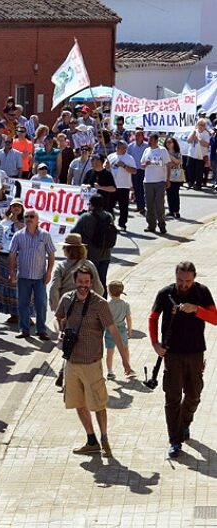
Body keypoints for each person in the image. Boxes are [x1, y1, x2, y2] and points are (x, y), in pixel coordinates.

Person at [55, 265, 128, 458]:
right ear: (75, 281)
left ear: (92, 282)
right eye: (80, 282)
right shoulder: (67, 299)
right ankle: (91, 440)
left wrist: (125, 361)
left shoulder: (99, 304)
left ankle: (104, 439)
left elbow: (113, 331)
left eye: (87, 283)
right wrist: (60, 331)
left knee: (98, 404)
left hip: (92, 363)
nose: (83, 286)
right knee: (78, 403)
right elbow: (58, 318)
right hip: (71, 362)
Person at [149, 261, 217, 458]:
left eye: (187, 281)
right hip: (172, 354)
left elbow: (215, 318)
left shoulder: (202, 292)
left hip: (195, 353)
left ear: (194, 278)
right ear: (175, 276)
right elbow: (153, 318)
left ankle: (185, 422)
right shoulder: (165, 293)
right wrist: (155, 344)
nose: (183, 284)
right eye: (180, 280)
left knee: (194, 394)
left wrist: (196, 310)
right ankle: (175, 440)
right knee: (172, 398)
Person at [10, 208, 55, 340]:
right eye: (26, 217)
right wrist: (12, 272)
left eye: (31, 217)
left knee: (41, 304)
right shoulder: (18, 235)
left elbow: (51, 255)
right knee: (22, 304)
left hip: (39, 277)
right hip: (23, 276)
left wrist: (49, 272)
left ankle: (41, 330)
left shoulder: (45, 235)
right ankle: (24, 329)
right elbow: (12, 255)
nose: (29, 219)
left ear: (37, 220)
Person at [71, 194, 115, 294]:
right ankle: (102, 304)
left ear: (91, 204)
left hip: (90, 256)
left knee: (87, 283)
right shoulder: (109, 216)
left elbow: (73, 233)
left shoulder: (86, 217)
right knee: (102, 282)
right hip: (105, 255)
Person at [0, 200, 24, 324]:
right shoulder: (3, 223)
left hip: (18, 257)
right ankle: (13, 313)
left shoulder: (25, 224)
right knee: (6, 286)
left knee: (18, 286)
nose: (16, 208)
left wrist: (17, 222)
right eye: (14, 206)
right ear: (10, 208)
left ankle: (24, 314)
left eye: (19, 206)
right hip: (4, 256)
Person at [141, 133, 170, 234]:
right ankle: (151, 225)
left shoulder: (162, 150)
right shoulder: (146, 150)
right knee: (149, 205)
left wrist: (168, 179)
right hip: (148, 181)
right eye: (149, 139)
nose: (149, 141)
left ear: (156, 140)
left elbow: (168, 165)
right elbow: (142, 164)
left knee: (159, 205)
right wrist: (146, 164)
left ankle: (162, 225)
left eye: (151, 139)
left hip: (160, 181)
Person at [104, 281, 133, 380]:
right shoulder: (125, 304)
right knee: (125, 349)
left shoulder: (107, 304)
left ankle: (110, 371)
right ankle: (127, 368)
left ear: (109, 292)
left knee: (110, 352)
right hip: (121, 329)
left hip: (109, 330)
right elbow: (128, 318)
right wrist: (129, 330)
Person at [106, 140, 136, 230]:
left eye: (120, 146)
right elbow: (105, 168)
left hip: (123, 186)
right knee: (109, 205)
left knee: (123, 207)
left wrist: (124, 166)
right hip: (112, 185)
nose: (118, 147)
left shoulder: (129, 158)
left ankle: (122, 224)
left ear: (125, 148)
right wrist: (106, 166)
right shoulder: (111, 156)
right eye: (117, 146)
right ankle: (110, 222)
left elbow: (134, 171)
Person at [126, 129, 149, 215]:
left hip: (144, 170)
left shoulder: (147, 146)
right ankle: (140, 206)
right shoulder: (130, 146)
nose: (137, 137)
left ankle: (142, 206)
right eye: (136, 135)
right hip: (134, 170)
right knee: (136, 188)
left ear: (143, 136)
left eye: (139, 135)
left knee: (142, 188)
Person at [185, 118, 210, 190]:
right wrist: (193, 134)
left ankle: (198, 184)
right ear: (197, 125)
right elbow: (188, 141)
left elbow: (206, 144)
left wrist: (198, 138)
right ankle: (191, 182)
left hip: (201, 155)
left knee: (199, 170)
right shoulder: (194, 131)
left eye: (203, 125)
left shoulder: (206, 133)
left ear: (205, 126)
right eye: (199, 124)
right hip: (191, 154)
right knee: (189, 168)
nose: (201, 126)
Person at [163, 136, 184, 218]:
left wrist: (170, 155)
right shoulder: (164, 152)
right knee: (169, 193)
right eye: (167, 142)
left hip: (176, 175)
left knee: (175, 193)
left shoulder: (177, 153)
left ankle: (176, 210)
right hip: (167, 175)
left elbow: (177, 162)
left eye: (170, 142)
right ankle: (171, 210)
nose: (168, 144)